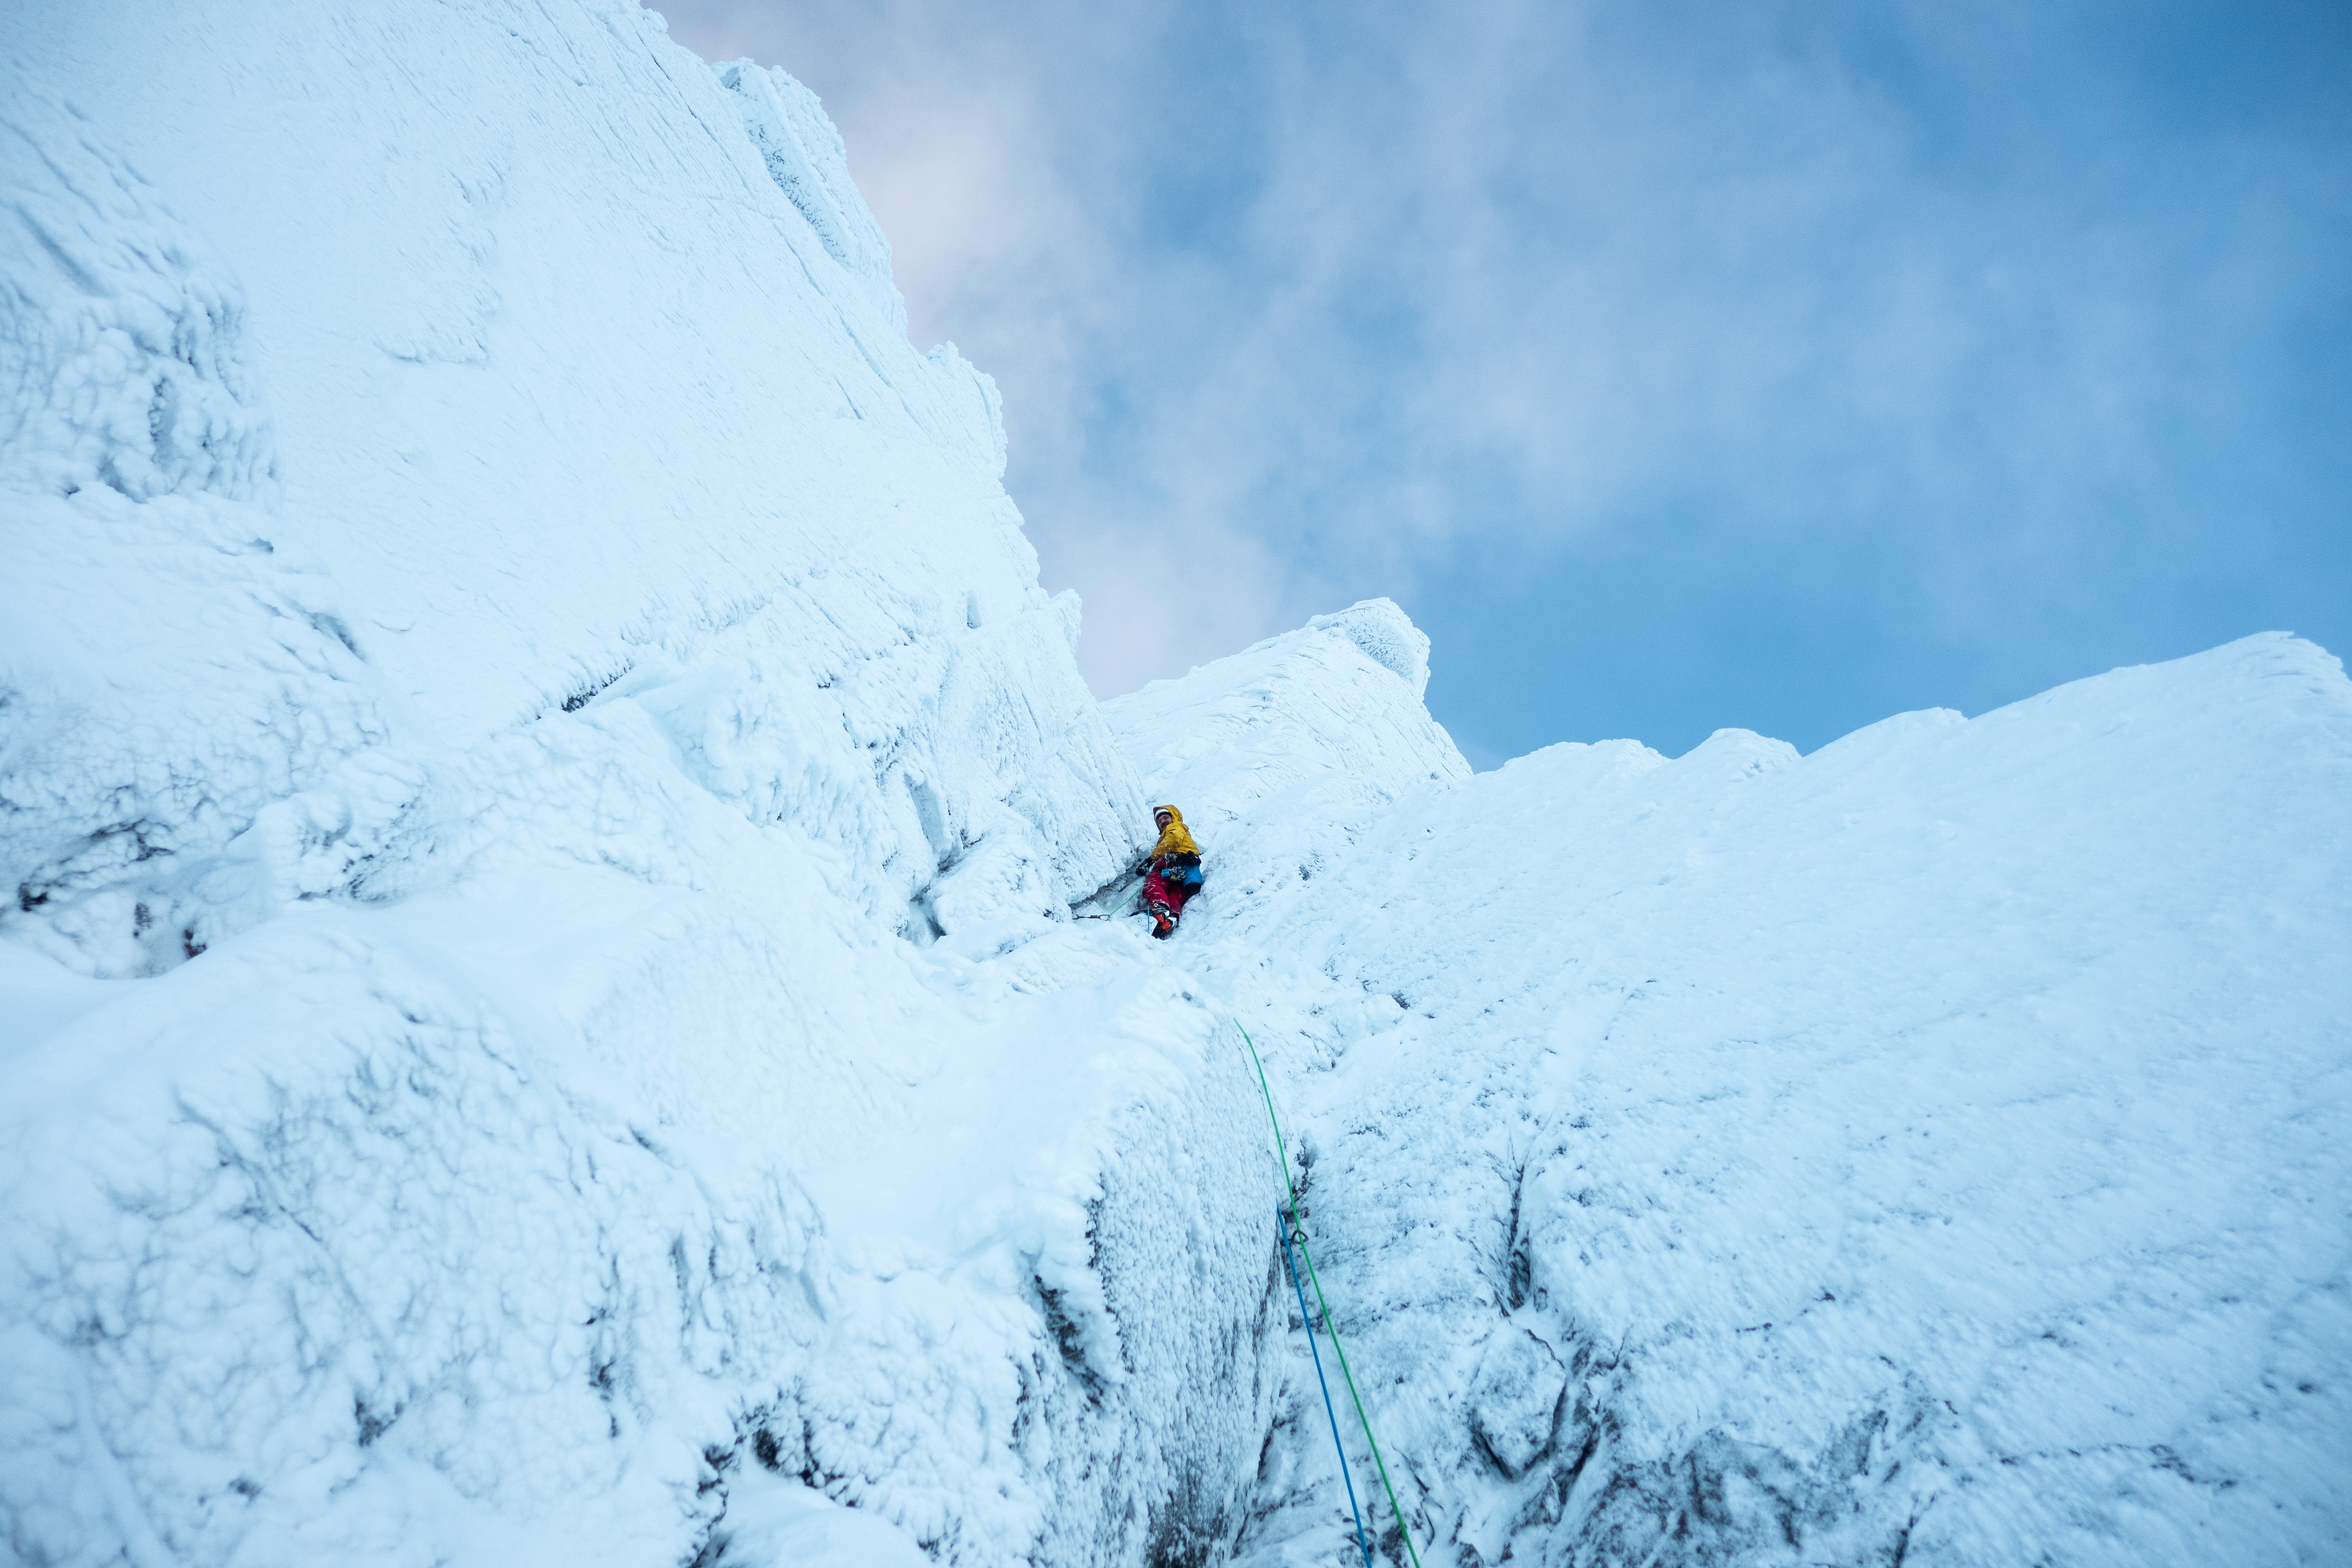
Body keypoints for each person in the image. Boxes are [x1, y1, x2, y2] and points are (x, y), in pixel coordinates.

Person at [1139, 805, 1204, 939]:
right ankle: (1171, 919)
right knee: (1175, 893)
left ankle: (1159, 911)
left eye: (1166, 817)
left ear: (1174, 818)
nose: (1163, 821)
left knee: (1155, 883)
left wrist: (1150, 860)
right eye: (1159, 821)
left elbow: (1172, 841)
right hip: (1186, 866)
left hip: (1172, 859)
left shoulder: (1175, 827)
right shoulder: (1182, 832)